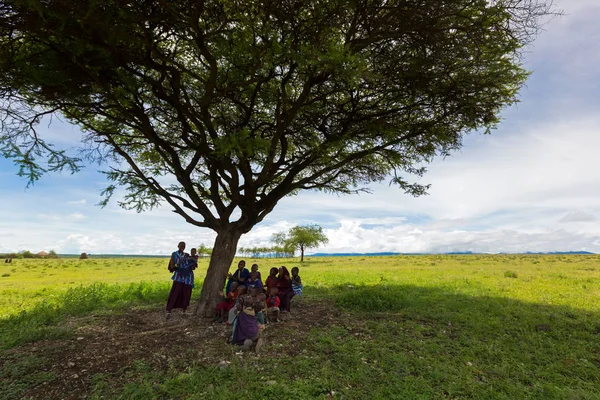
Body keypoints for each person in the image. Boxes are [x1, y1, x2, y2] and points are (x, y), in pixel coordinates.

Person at [165, 242, 196, 319]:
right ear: (178, 246)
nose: (182, 247)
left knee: (186, 293)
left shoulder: (187, 255)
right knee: (175, 292)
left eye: (184, 246)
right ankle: (169, 310)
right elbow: (172, 266)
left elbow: (193, 266)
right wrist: (180, 264)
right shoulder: (174, 254)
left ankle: (184, 310)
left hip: (188, 277)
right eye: (181, 246)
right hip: (179, 276)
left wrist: (193, 262)